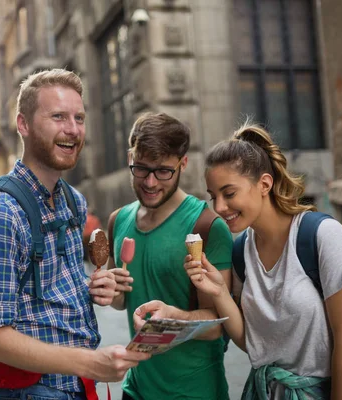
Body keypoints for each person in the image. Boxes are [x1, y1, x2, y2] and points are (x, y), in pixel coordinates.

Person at [0, 69, 150, 399]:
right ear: (23, 124)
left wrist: (94, 286)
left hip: (76, 385)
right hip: (33, 390)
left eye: (79, 118)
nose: (73, 129)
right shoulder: (0, 213)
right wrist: (89, 363)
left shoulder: (72, 200)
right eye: (58, 116)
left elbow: (48, 290)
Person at [165, 121, 342, 398]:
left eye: (229, 194)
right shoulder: (241, 251)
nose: (219, 207)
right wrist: (218, 291)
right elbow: (256, 345)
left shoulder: (323, 236)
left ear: (265, 183)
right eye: (213, 197)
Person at [108, 112, 234, 400]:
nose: (150, 182)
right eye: (140, 169)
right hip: (136, 388)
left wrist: (173, 317)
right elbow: (122, 300)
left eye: (163, 171)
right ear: (131, 156)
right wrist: (105, 290)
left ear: (183, 164)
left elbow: (218, 324)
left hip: (193, 392)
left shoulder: (206, 226)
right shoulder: (118, 220)